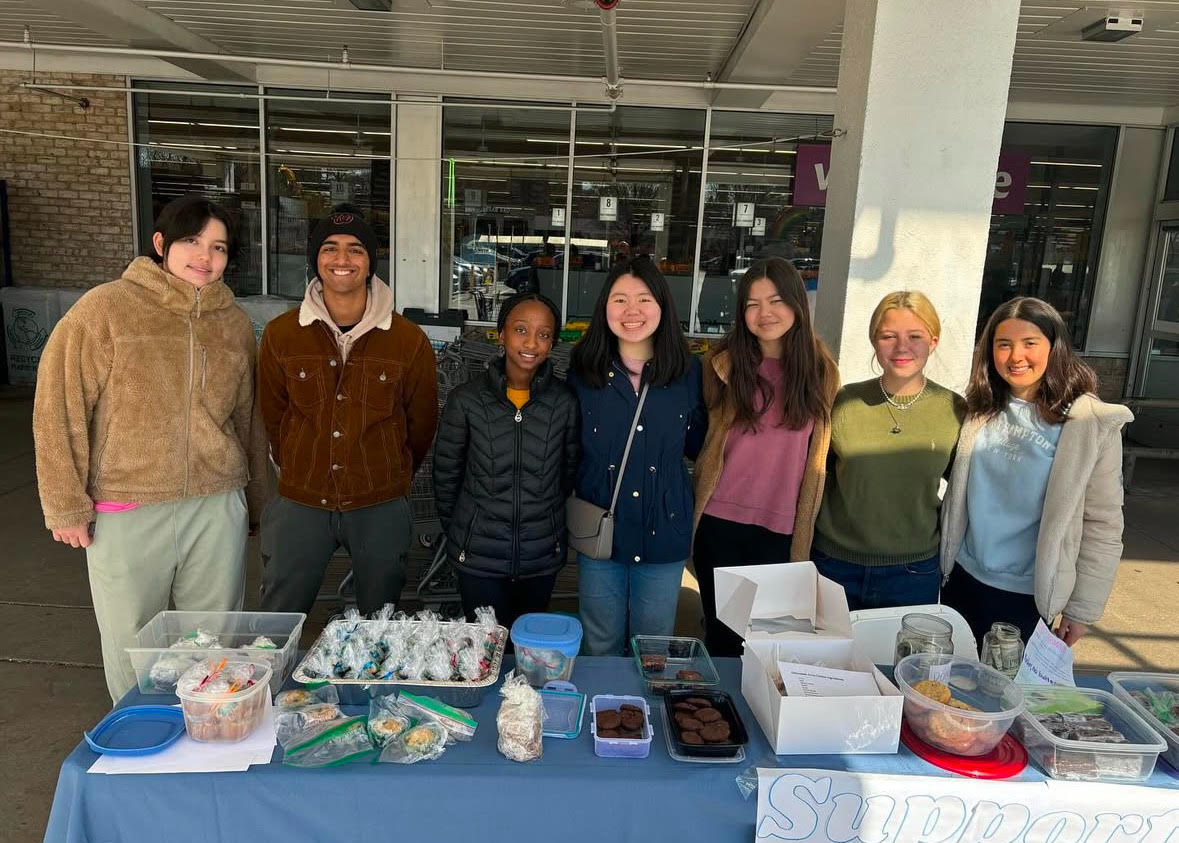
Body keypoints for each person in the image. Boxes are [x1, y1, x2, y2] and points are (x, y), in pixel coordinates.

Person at [33, 194, 269, 702]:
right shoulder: (106, 309)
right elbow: (58, 406)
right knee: (133, 642)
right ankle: (141, 746)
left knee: (214, 637)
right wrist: (64, 504)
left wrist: (257, 501)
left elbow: (250, 419)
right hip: (129, 503)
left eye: (219, 246)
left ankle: (208, 738)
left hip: (215, 500)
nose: (204, 256)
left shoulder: (233, 324)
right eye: (191, 240)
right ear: (160, 243)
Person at [256, 207, 438, 616]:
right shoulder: (281, 335)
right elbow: (273, 416)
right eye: (330, 248)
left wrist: (388, 472)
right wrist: (301, 465)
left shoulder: (408, 341)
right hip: (301, 500)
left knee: (382, 623)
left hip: (379, 502)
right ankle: (269, 681)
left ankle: (375, 685)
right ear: (316, 260)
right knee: (277, 617)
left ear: (370, 262)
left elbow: (421, 425)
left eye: (355, 249)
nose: (342, 260)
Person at [940, 297, 1132, 646]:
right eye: (1004, 345)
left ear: (1054, 347)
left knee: (1005, 695)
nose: (1016, 357)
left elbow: (1103, 524)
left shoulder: (1089, 423)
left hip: (1028, 596)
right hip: (962, 579)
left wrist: (1081, 610)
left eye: (1030, 344)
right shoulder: (978, 408)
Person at [692, 257, 839, 656]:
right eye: (752, 304)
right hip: (719, 523)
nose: (764, 313)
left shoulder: (821, 372)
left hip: (782, 530)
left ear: (796, 303)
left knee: (768, 646)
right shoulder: (721, 365)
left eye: (775, 301)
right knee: (723, 639)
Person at [566, 255, 707, 655]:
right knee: (600, 642)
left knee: (654, 647)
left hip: (665, 529)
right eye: (620, 299)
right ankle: (604, 716)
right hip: (601, 534)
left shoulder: (689, 373)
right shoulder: (583, 370)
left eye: (644, 299)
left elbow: (701, 443)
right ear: (604, 308)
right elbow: (569, 448)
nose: (632, 311)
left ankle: (646, 718)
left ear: (662, 305)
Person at [811, 291, 966, 612]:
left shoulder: (954, 410)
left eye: (915, 336)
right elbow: (813, 479)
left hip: (913, 572)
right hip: (834, 566)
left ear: (933, 341)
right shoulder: (843, 402)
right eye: (888, 336)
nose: (901, 347)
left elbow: (965, 493)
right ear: (874, 341)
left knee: (901, 664)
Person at [432, 292, 580, 628]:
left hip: (540, 557)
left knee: (528, 652)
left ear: (553, 343)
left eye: (544, 335)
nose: (531, 343)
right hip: (478, 560)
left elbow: (567, 474)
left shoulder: (563, 403)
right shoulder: (466, 400)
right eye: (521, 330)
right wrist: (464, 532)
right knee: (483, 652)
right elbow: (446, 477)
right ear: (501, 334)